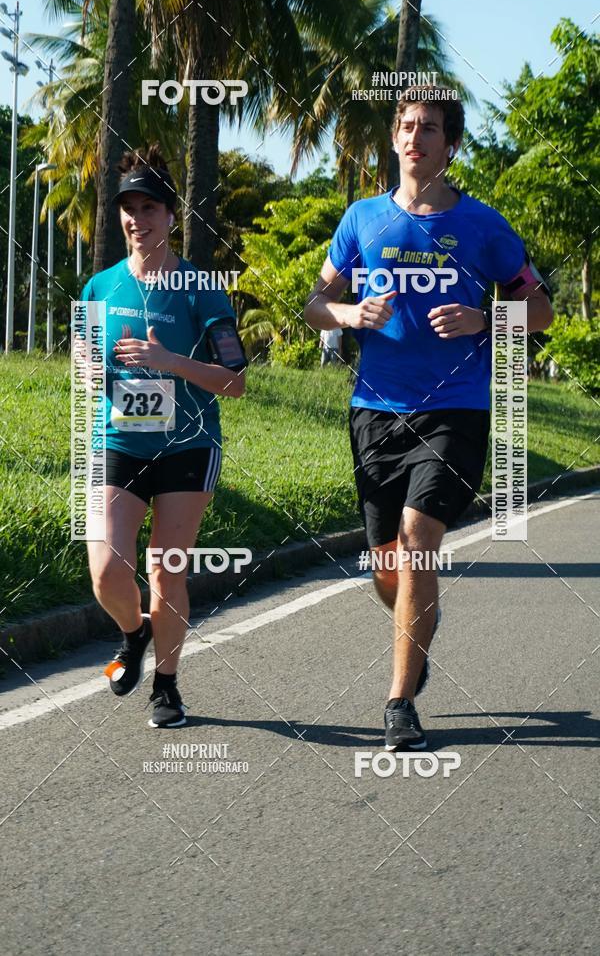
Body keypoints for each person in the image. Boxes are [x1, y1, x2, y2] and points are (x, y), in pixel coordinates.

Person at [304, 86, 553, 751]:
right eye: (407, 126)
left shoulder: (484, 226)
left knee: (418, 537)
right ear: (394, 139)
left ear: (451, 145)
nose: (416, 137)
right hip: (374, 414)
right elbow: (315, 302)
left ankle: (398, 701)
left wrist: (487, 318)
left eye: (431, 128)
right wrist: (350, 314)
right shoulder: (361, 220)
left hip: (454, 408)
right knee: (388, 567)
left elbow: (543, 311)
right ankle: (416, 645)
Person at [80, 144, 246, 729]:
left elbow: (234, 382)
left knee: (165, 568)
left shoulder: (203, 289)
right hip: (119, 442)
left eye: (149, 207)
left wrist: (169, 360)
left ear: (171, 216)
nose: (136, 219)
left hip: (188, 446)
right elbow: (82, 361)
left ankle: (168, 686)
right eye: (128, 208)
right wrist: (91, 370)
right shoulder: (99, 288)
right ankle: (134, 633)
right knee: (105, 568)